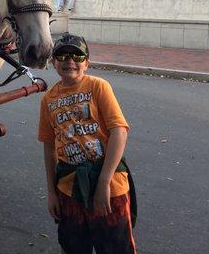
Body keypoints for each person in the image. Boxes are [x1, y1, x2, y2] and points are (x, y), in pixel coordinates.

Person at [38, 33, 137, 254]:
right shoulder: (48, 99)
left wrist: (103, 182)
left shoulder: (98, 86)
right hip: (68, 187)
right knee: (73, 246)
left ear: (87, 63)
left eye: (77, 55)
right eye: (61, 56)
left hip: (110, 186)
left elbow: (119, 131)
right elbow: (48, 146)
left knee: (115, 247)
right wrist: (51, 192)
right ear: (53, 62)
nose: (69, 61)